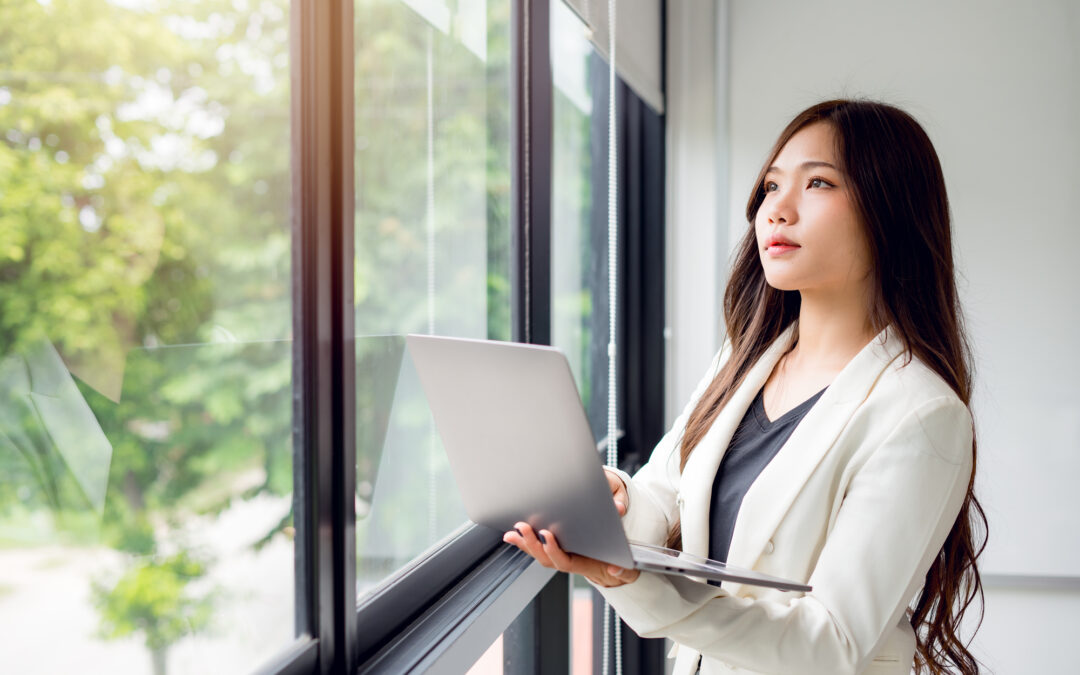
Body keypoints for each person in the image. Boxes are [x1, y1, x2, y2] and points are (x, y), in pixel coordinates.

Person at [503, 99, 986, 675]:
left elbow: (829, 642)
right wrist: (605, 509)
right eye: (771, 186)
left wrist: (638, 583)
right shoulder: (744, 359)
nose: (775, 211)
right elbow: (663, 497)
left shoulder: (922, 414)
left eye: (819, 184)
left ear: (890, 212)